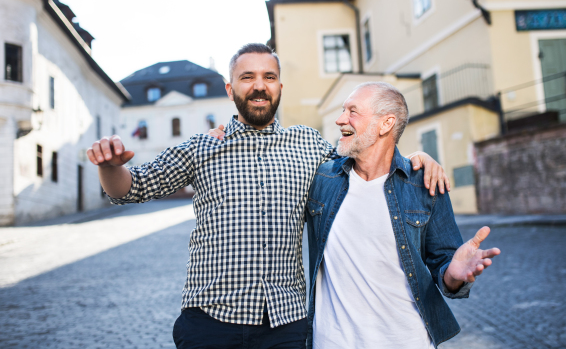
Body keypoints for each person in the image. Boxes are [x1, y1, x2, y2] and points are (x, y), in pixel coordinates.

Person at [86, 43, 448, 349]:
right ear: (230, 90)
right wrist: (109, 166)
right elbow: (132, 187)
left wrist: (416, 158)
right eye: (247, 78)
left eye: (268, 77)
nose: (259, 86)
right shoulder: (203, 148)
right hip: (211, 320)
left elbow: (365, 161)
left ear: (279, 87)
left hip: (286, 326)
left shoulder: (308, 144)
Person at [305, 82, 501, 349]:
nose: (341, 120)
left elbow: (445, 265)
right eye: (343, 110)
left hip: (407, 341)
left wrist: (454, 274)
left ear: (386, 124)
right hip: (332, 342)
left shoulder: (425, 184)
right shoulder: (322, 178)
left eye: (353, 111)